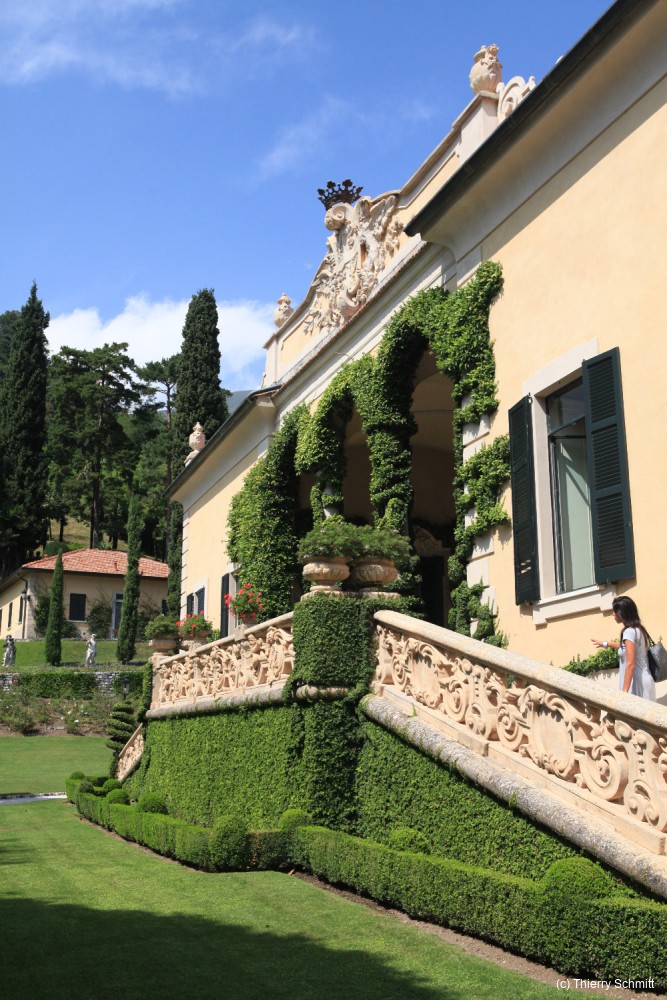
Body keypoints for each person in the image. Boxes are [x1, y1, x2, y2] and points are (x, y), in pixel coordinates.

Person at [592, 596, 655, 700]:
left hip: (636, 684)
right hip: (645, 681)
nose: (613, 614)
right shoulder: (639, 629)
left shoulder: (629, 632)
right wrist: (605, 644)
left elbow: (630, 665)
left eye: (615, 611)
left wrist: (624, 692)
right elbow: (627, 647)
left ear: (622, 613)